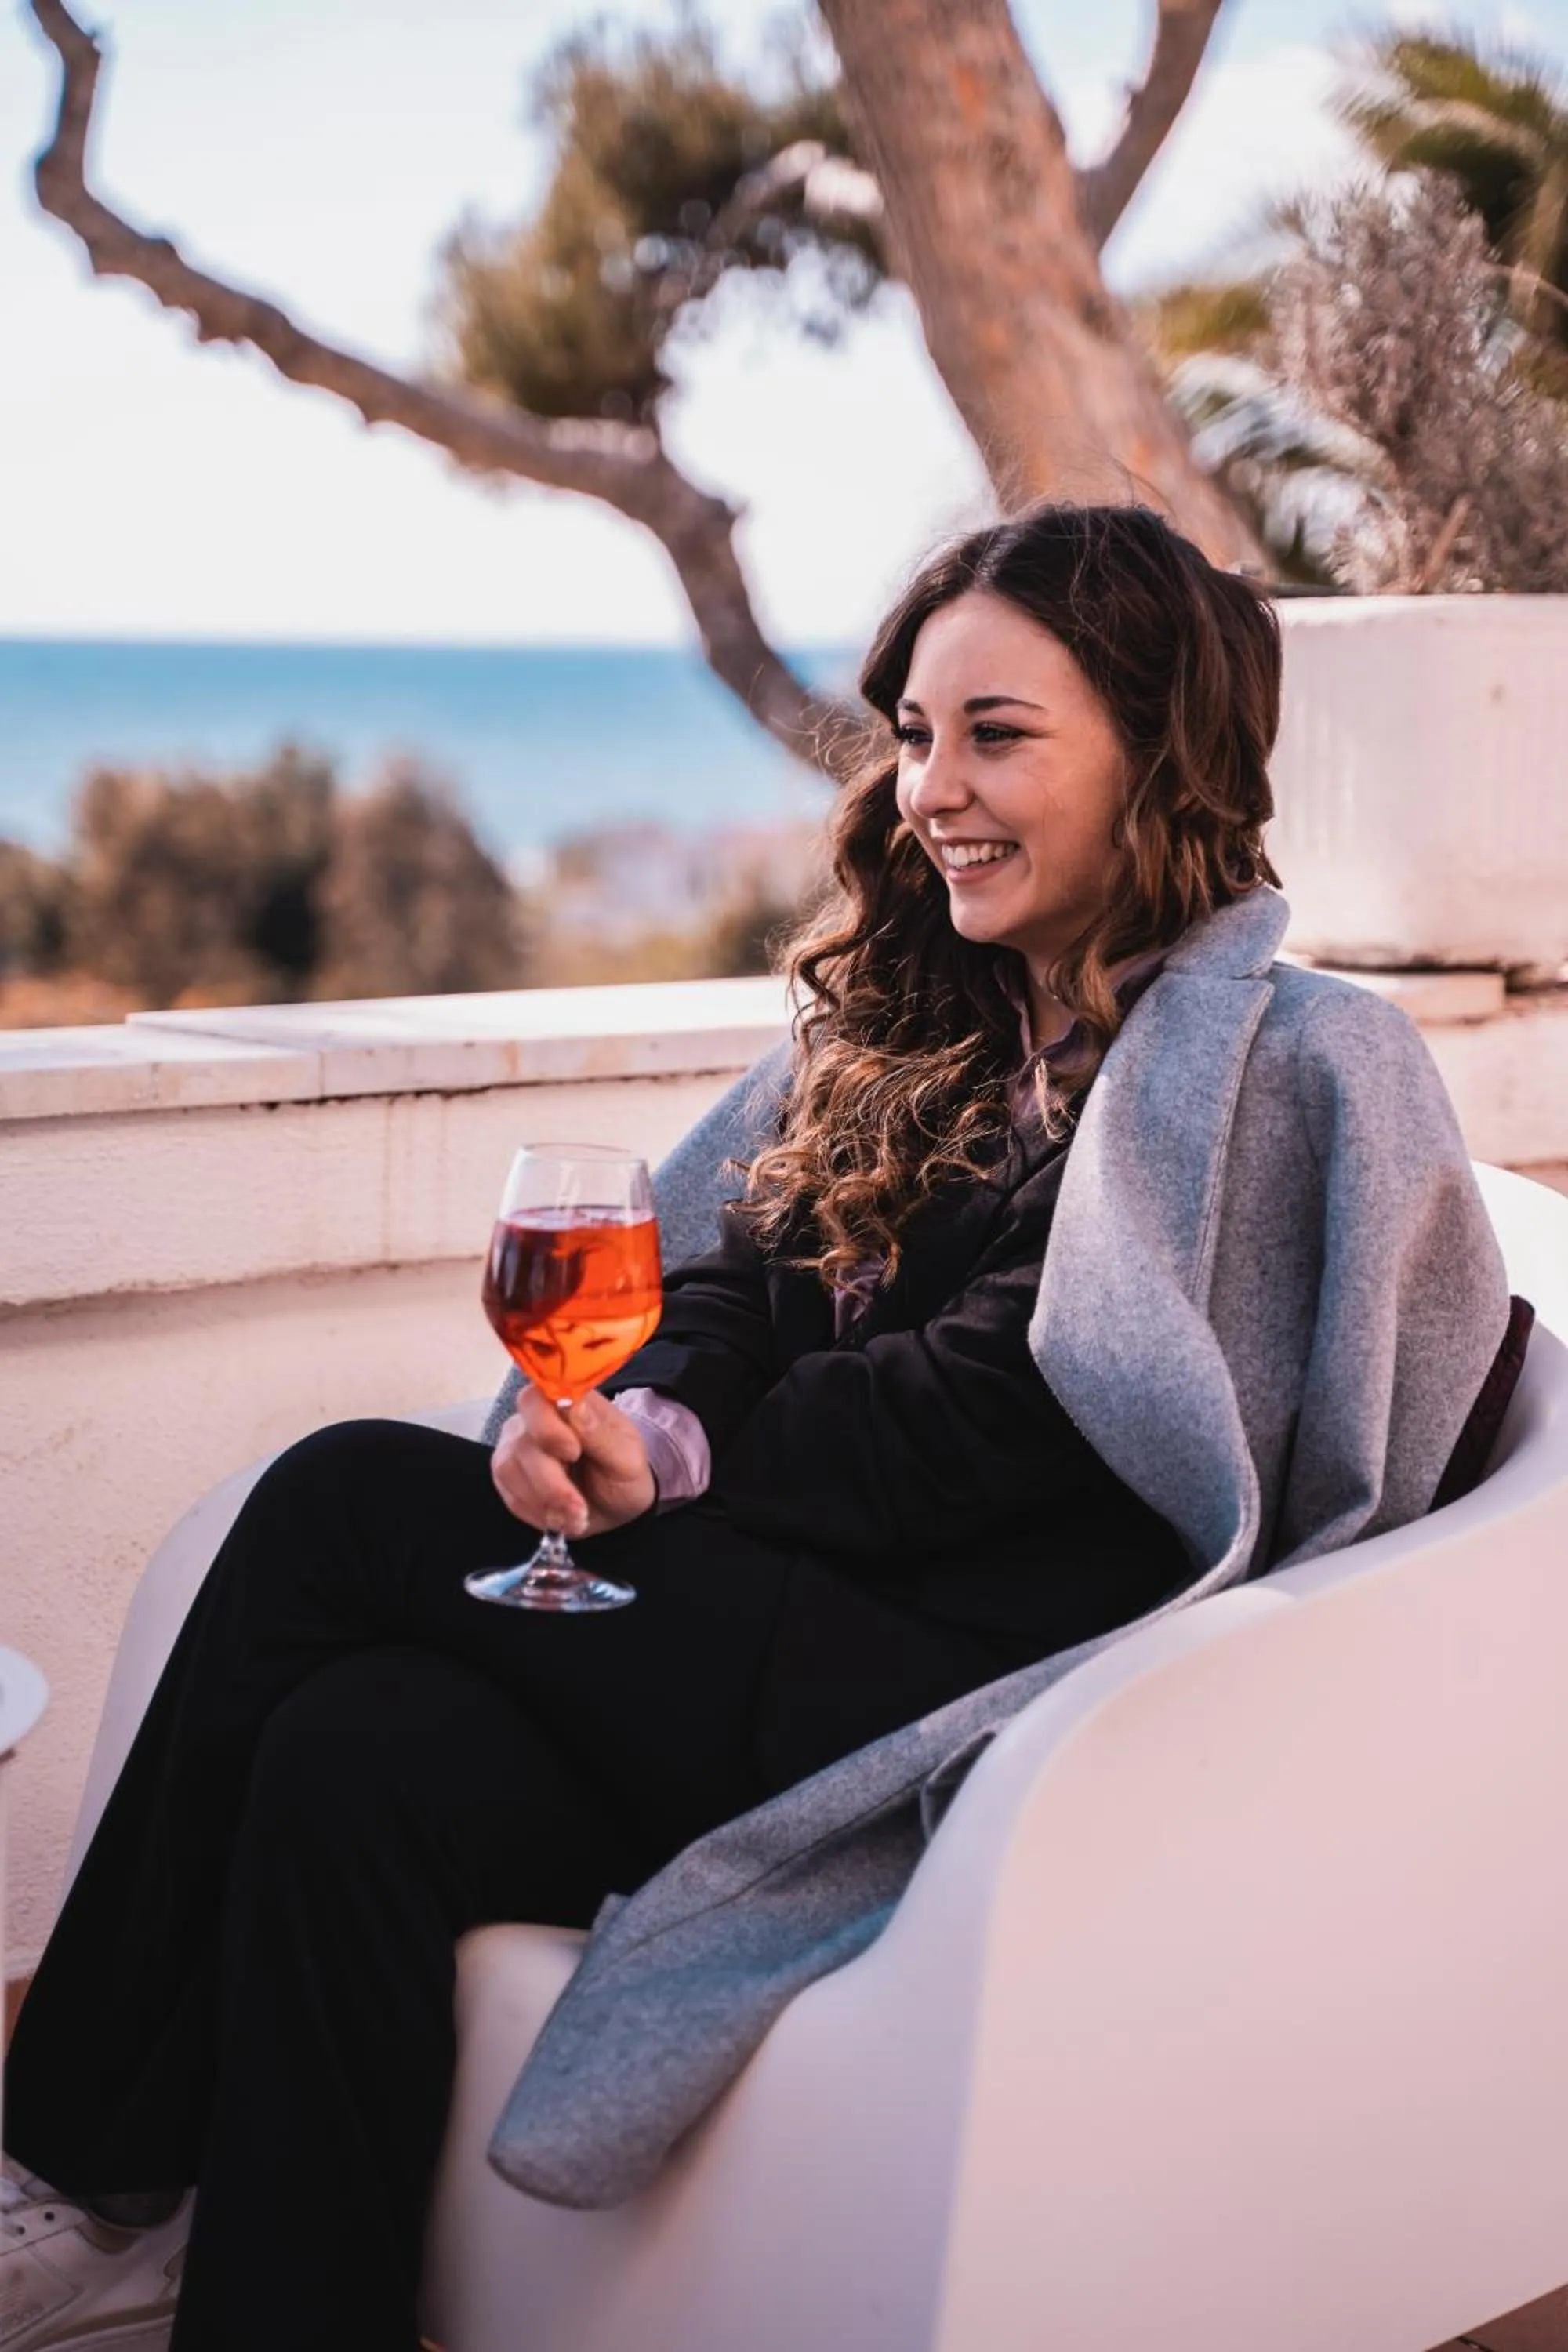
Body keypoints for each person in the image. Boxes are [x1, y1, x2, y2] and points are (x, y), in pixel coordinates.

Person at [1, 504, 1511, 2350]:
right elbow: (735, 1275)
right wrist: (646, 1403)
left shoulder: (1273, 1067)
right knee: (354, 1752)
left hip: (975, 1700)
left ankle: (75, 2163)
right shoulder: (925, 1019)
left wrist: (684, 1471)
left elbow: (1029, 1392)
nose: (931, 787)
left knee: (338, 1505)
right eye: (912, 733)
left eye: (998, 734)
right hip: (753, 1633)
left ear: (1161, 750)